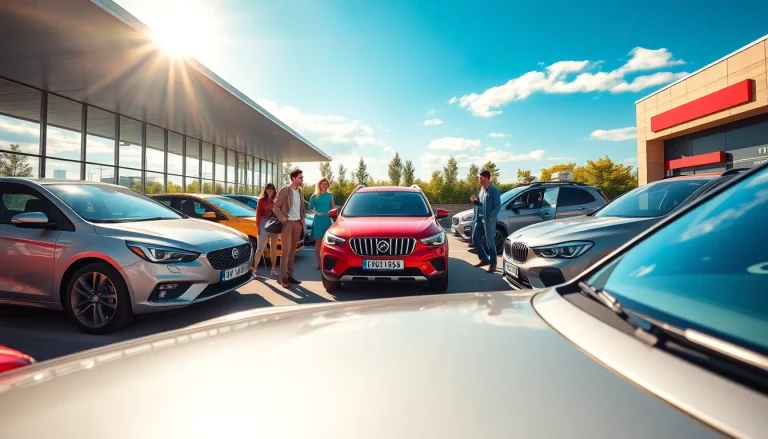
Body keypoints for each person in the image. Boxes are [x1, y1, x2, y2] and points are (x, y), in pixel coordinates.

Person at [272, 168, 306, 288]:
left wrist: (303, 219)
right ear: (293, 178)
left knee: (292, 251)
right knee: (285, 251)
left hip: (297, 224)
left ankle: (290, 275)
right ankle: (283, 278)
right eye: (300, 177)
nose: (302, 179)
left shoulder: (300, 191)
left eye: (302, 177)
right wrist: (283, 219)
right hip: (287, 224)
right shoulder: (285, 190)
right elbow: (276, 207)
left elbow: (301, 207)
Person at [470, 169, 501, 272]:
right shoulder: (482, 190)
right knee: (475, 238)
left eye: (480, 178)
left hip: (489, 220)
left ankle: (493, 264)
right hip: (480, 219)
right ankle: (484, 259)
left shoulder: (494, 191)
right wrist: (475, 201)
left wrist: (492, 216)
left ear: (486, 178)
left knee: (490, 242)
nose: (479, 179)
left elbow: (497, 206)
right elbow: (481, 204)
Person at [307, 177, 335, 270]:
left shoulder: (330, 195)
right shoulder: (314, 196)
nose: (324, 186)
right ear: (319, 185)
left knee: (328, 242)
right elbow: (310, 208)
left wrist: (335, 217)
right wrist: (317, 213)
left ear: (327, 185)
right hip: (318, 220)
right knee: (318, 241)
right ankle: (319, 263)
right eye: (322, 184)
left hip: (327, 220)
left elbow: (333, 207)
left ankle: (328, 262)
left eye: (326, 184)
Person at [252, 183, 279, 277]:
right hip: (263, 222)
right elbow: (258, 213)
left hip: (274, 222)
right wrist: (258, 227)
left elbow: (279, 212)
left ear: (274, 190)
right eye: (268, 189)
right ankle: (254, 270)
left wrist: (276, 203)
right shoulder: (261, 200)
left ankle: (273, 269)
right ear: (265, 190)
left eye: (271, 189)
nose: (270, 191)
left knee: (273, 248)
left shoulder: (276, 200)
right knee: (260, 247)